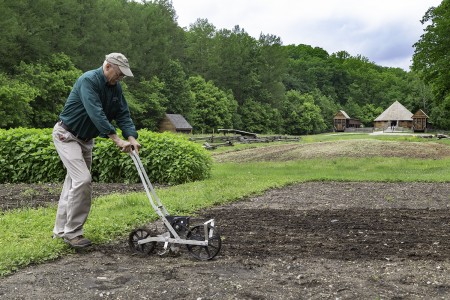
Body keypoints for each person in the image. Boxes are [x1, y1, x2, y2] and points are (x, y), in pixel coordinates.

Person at [52, 53, 141, 248]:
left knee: (74, 183)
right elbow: (95, 113)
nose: (121, 79)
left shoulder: (115, 88)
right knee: (82, 180)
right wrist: (116, 139)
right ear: (108, 67)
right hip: (66, 136)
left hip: (85, 140)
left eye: (123, 76)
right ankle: (73, 233)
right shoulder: (88, 81)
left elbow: (123, 114)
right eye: (119, 74)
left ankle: (60, 231)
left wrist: (131, 138)